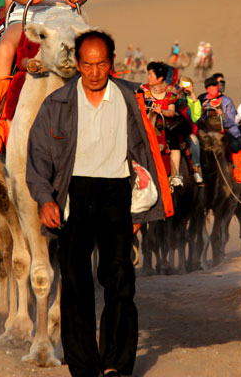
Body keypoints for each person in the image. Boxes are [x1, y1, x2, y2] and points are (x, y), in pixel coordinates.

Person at [25, 30, 170, 377]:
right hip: (72, 197)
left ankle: (116, 364)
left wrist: (141, 206)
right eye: (87, 64)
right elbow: (39, 157)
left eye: (101, 64)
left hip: (116, 195)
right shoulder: (57, 104)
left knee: (120, 282)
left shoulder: (130, 99)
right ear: (77, 64)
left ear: (112, 63)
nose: (94, 72)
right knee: (76, 285)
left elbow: (145, 152)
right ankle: (84, 367)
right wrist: (45, 199)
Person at [141, 61, 198, 187]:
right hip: (146, 124)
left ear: (160, 78)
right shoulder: (142, 90)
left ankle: (176, 174)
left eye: (151, 75)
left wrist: (161, 111)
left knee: (177, 141)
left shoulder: (171, 93)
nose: (148, 77)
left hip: (166, 126)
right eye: (148, 74)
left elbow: (173, 112)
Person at [200, 74, 241, 182]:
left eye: (214, 86)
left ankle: (239, 172)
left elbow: (232, 121)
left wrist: (222, 116)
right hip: (208, 131)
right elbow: (199, 118)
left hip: (224, 131)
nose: (212, 89)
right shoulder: (203, 101)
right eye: (210, 87)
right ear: (207, 89)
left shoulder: (226, 101)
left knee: (235, 145)